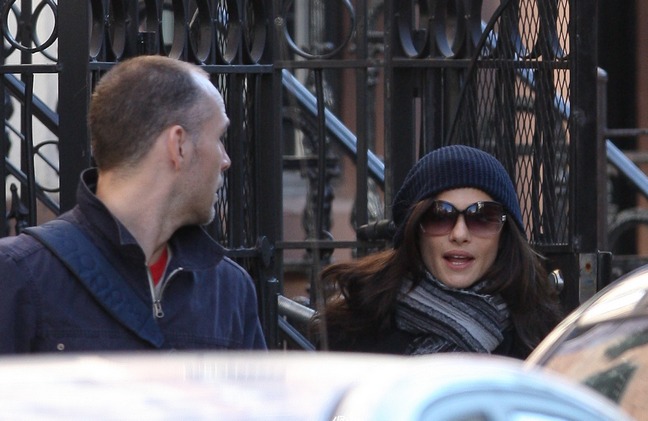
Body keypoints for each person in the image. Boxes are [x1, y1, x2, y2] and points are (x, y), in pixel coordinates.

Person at [0, 55, 267, 352]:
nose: (226, 160)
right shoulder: (19, 275)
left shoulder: (229, 290)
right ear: (178, 145)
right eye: (219, 138)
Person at [314, 145, 563, 358]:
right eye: (440, 216)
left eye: (483, 217)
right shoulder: (354, 331)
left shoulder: (542, 343)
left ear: (505, 234)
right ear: (415, 230)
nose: (459, 234)